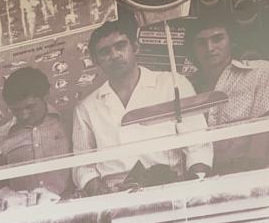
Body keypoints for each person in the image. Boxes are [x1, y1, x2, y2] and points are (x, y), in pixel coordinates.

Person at [72, 19, 213, 194]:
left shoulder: (173, 84)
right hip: (114, 193)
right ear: (95, 60)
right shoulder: (87, 108)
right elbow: (82, 166)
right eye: (104, 52)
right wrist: (102, 193)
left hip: (170, 186)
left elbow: (198, 144)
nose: (114, 55)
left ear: (135, 47)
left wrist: (196, 186)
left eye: (120, 46)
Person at [186, 15, 269, 173]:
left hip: (251, 173)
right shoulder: (187, 86)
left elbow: (263, 134)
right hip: (203, 178)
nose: (209, 48)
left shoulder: (259, 72)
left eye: (217, 39)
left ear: (232, 40)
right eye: (201, 42)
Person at [0, 67, 73, 206]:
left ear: (46, 96)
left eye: (30, 107)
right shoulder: (1, 136)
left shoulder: (68, 124)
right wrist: (3, 193)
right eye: (16, 110)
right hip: (24, 215)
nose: (24, 115)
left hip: (69, 206)